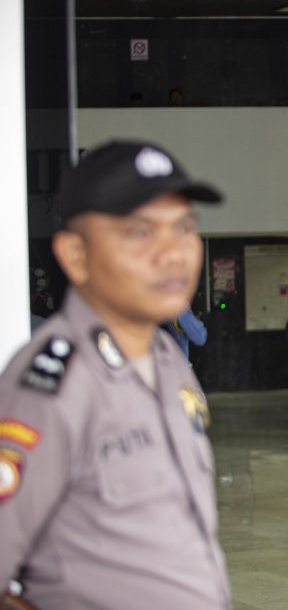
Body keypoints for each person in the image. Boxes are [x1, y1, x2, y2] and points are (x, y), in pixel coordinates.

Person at [0, 141, 230, 609]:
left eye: (184, 227)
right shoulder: (52, 386)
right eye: (139, 232)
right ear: (75, 255)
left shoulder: (167, 360)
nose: (172, 253)